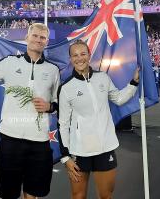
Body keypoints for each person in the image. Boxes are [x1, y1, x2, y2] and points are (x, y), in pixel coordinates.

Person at [0, 23, 60, 199]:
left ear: (46, 42)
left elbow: (58, 103)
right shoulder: (10, 63)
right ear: (27, 38)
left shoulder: (53, 70)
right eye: (34, 36)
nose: (38, 40)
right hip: (11, 140)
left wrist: (50, 107)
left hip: (40, 141)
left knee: (32, 193)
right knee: (8, 193)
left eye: (42, 37)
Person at [58, 40, 139, 199]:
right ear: (70, 59)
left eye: (83, 54)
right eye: (75, 55)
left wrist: (134, 82)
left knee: (106, 196)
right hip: (79, 152)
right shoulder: (66, 88)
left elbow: (119, 99)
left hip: (105, 148)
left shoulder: (103, 78)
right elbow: (63, 124)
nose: (79, 58)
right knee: (78, 196)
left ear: (89, 55)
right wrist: (65, 156)